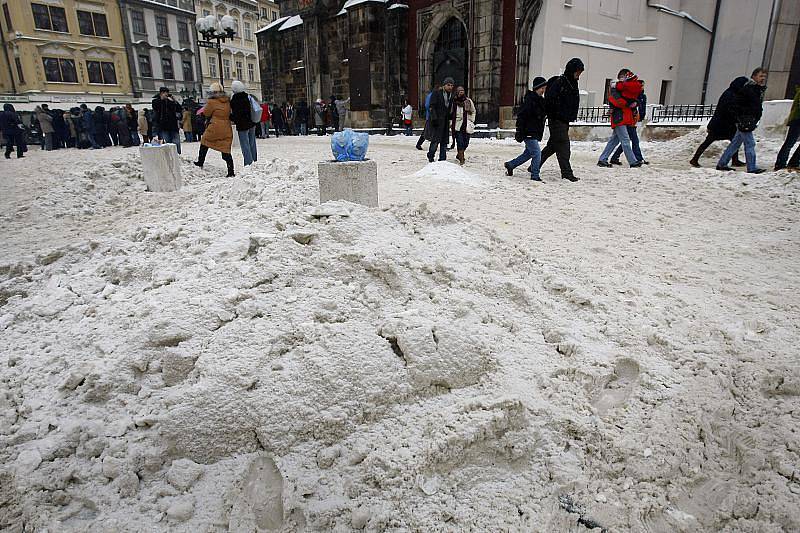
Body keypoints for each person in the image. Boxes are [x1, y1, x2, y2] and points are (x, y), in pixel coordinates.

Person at [540, 57, 584, 182]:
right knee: (564, 147)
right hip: (557, 119)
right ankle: (566, 173)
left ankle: (534, 165)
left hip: (564, 120)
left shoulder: (572, 82)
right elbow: (550, 100)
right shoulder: (560, 82)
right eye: (578, 72)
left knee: (553, 146)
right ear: (572, 70)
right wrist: (557, 112)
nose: (579, 75)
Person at [717, 68, 768, 174]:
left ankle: (722, 163)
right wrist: (743, 115)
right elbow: (739, 104)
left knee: (736, 143)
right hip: (746, 119)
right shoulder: (749, 89)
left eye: (764, 76)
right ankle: (752, 167)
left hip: (747, 119)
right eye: (760, 76)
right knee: (750, 143)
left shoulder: (755, 89)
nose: (763, 78)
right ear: (754, 76)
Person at [690, 77, 747, 167]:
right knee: (709, 141)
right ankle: (694, 159)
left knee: (734, 141)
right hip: (720, 124)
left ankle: (735, 160)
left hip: (725, 124)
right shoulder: (730, 95)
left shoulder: (731, 93)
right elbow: (728, 109)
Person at [597, 69, 644, 168]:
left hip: (621, 117)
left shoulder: (619, 89)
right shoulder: (617, 90)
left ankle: (602, 159)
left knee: (614, 141)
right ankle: (633, 161)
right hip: (620, 117)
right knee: (625, 140)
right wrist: (629, 104)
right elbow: (616, 101)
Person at [504, 76, 548, 181]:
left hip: (535, 131)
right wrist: (519, 131)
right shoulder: (529, 100)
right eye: (542, 88)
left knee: (528, 153)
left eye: (544, 88)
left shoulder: (540, 101)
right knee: (537, 153)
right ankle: (535, 175)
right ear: (537, 88)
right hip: (528, 131)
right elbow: (522, 116)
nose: (543, 90)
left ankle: (511, 165)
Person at [194, 82, 234, 177]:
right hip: (226, 127)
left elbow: (207, 113)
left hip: (215, 126)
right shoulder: (227, 101)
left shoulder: (212, 102)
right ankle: (231, 170)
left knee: (205, 141)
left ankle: (200, 161)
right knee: (225, 149)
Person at [611, 79, 648, 165]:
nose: (641, 87)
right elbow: (630, 106)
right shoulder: (633, 95)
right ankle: (638, 159)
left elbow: (642, 108)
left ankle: (614, 157)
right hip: (629, 120)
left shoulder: (642, 96)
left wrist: (641, 117)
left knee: (625, 141)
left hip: (635, 119)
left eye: (642, 86)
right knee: (633, 140)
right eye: (641, 86)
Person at [425, 77, 455, 162]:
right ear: (444, 85)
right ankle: (431, 155)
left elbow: (449, 109)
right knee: (435, 140)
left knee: (444, 141)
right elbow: (432, 106)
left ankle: (442, 158)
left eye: (452, 85)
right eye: (448, 85)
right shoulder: (437, 93)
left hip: (445, 121)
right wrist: (434, 118)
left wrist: (450, 116)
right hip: (437, 121)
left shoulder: (451, 96)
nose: (450, 87)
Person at [230, 80, 258, 167]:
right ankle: (254, 159)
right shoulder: (248, 97)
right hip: (251, 122)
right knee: (252, 142)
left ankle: (248, 163)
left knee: (245, 144)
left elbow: (236, 115)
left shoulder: (234, 100)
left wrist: (230, 117)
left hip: (242, 125)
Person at [774, 85, 800, 171]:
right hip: (797, 119)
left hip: (796, 119)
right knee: (790, 142)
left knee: (790, 142)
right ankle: (780, 164)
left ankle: (794, 162)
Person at [152, 87, 181, 153]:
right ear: (160, 93)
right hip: (163, 127)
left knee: (176, 142)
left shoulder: (170, 101)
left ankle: (178, 156)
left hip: (173, 126)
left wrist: (175, 101)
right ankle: (169, 156)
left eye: (167, 92)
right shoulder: (156, 101)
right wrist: (162, 100)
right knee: (167, 143)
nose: (166, 94)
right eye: (164, 92)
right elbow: (155, 107)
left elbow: (179, 109)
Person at [451, 86, 475, 165]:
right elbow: (451, 113)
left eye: (462, 90)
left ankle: (459, 155)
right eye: (459, 91)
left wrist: (471, 120)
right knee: (460, 142)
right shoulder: (454, 102)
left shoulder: (468, 101)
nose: (461, 92)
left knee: (466, 143)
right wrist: (451, 122)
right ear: (457, 92)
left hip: (466, 124)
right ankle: (462, 158)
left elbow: (473, 111)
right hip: (457, 125)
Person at [417, 85, 437, 150]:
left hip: (434, 117)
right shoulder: (431, 95)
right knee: (426, 131)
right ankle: (419, 144)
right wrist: (433, 112)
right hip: (431, 117)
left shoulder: (434, 95)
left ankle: (419, 144)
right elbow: (427, 105)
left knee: (427, 131)